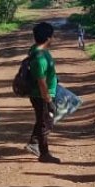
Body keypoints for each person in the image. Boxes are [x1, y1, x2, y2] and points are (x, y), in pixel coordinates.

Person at [25, 22, 61, 164]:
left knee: (42, 120)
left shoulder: (36, 49)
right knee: (46, 123)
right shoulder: (40, 58)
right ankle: (44, 153)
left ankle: (34, 142)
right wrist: (48, 100)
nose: (53, 39)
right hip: (41, 96)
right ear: (47, 38)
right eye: (52, 36)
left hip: (41, 94)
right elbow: (41, 82)